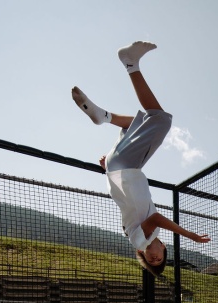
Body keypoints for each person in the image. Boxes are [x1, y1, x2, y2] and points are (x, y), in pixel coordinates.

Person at [72, 41, 210, 276]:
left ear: (142, 254)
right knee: (138, 123)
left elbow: (155, 218)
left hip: (125, 169)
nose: (154, 258)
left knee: (160, 120)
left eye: (150, 260)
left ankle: (130, 63)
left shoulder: (139, 241)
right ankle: (103, 116)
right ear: (165, 249)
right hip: (123, 169)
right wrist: (109, 165)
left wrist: (189, 235)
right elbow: (131, 204)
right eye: (159, 260)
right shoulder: (141, 235)